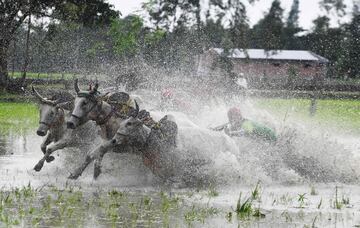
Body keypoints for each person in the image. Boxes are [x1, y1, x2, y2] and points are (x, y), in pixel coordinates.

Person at [212, 107, 277, 141]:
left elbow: (243, 132)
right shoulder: (239, 121)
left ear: (240, 115)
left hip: (271, 139)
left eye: (238, 115)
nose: (237, 116)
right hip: (268, 137)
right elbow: (227, 124)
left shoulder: (246, 123)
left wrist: (231, 133)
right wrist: (214, 129)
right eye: (233, 116)